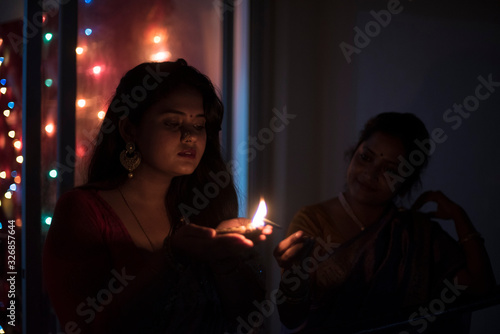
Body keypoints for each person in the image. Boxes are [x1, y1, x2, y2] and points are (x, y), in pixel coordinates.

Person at [43, 59, 272, 333]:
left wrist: (225, 257)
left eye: (199, 126)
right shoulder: (83, 211)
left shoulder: (203, 207)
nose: (189, 136)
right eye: (172, 123)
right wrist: (170, 257)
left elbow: (251, 318)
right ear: (130, 130)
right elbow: (84, 325)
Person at [273, 112, 496, 333]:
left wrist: (460, 216)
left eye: (390, 169)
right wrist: (292, 275)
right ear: (353, 153)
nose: (370, 173)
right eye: (366, 157)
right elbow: (292, 318)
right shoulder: (313, 220)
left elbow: (480, 288)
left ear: (406, 181)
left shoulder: (416, 233)